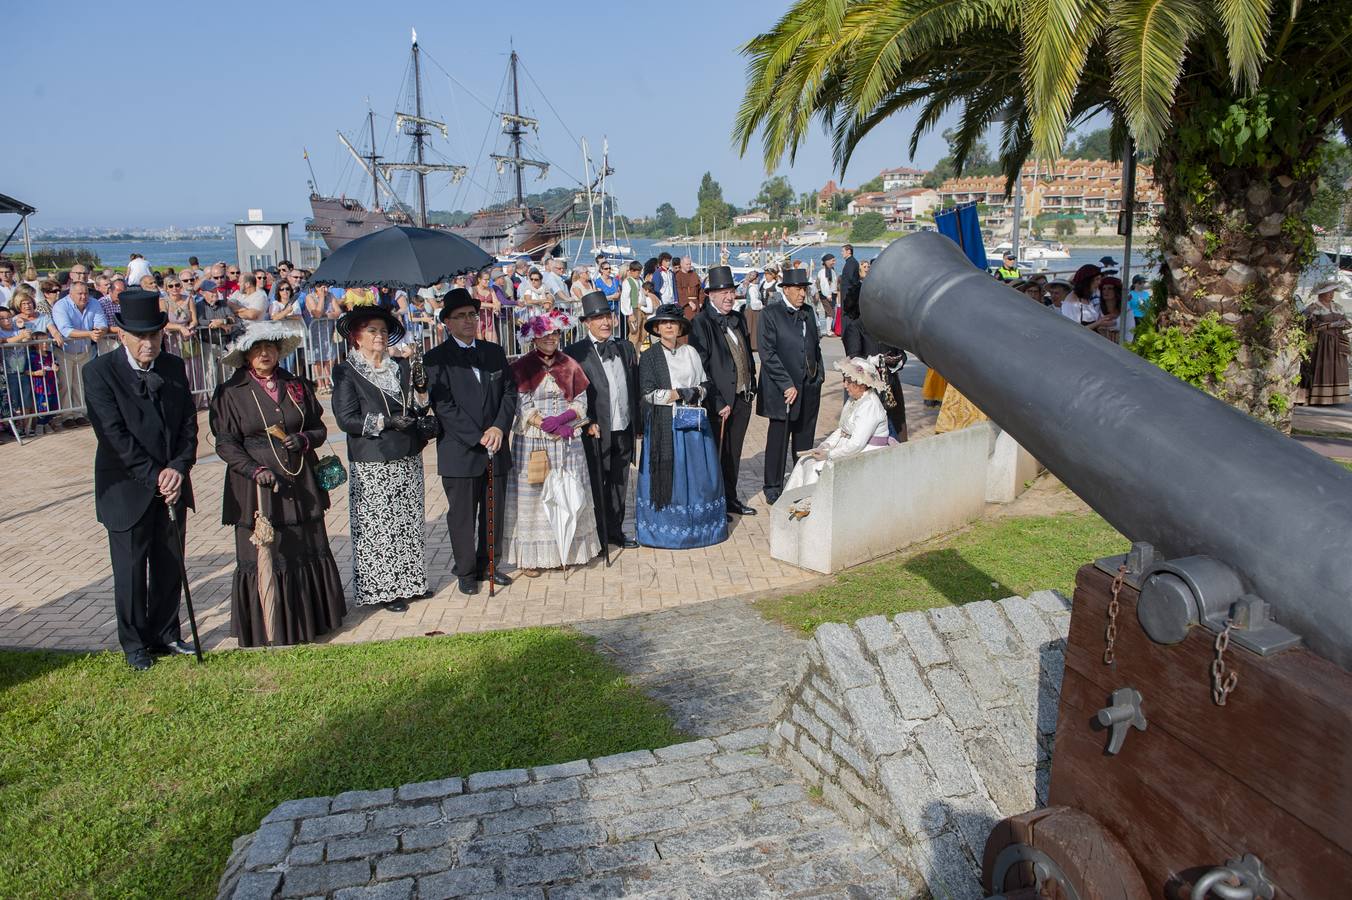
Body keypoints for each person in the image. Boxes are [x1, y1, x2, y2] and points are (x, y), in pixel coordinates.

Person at [82, 290, 198, 670]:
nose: (149, 342)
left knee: (169, 564)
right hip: (127, 489)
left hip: (172, 485)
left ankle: (166, 633)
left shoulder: (173, 366)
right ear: (121, 334)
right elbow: (113, 436)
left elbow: (189, 425)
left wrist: (178, 468)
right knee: (131, 572)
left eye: (155, 334)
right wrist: (155, 476)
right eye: (140, 335)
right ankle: (134, 645)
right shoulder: (99, 372)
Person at [210, 323, 346, 646]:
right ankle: (271, 626)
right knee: (267, 551)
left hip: (300, 482)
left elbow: (319, 428)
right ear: (246, 355)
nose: (264, 353)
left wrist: (304, 439)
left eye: (269, 347)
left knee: (306, 546)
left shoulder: (295, 384)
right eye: (257, 349)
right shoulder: (231, 392)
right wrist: (252, 469)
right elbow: (225, 443)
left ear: (278, 351)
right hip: (256, 487)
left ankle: (314, 620)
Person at [331, 305, 435, 612]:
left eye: (384, 330)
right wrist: (386, 422)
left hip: (407, 454)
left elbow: (417, 407)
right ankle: (384, 589)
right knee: (379, 526)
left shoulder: (400, 366)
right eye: (372, 330)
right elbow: (346, 419)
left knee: (408, 522)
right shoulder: (347, 371)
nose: (379, 335)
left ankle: (411, 582)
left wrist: (421, 389)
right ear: (357, 336)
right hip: (373, 459)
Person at [424, 289, 516, 595]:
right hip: (460, 450)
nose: (468, 321)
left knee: (493, 512)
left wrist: (499, 427)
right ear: (447, 322)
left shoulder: (494, 352)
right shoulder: (435, 359)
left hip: (496, 446)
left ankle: (488, 564)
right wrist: (478, 436)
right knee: (462, 516)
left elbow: (509, 392)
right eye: (461, 316)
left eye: (472, 315)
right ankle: (465, 571)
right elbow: (443, 406)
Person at [503, 308, 601, 574]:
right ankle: (532, 557)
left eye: (555, 333)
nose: (550, 338)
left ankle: (565, 552)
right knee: (536, 496)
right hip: (534, 441)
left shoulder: (569, 364)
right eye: (544, 334)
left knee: (568, 494)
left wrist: (565, 419)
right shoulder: (522, 367)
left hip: (567, 439)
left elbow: (580, 401)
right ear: (533, 337)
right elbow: (521, 404)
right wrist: (543, 423)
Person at [636, 304, 728, 549]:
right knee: (673, 479)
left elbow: (705, 384)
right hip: (665, 428)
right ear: (657, 328)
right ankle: (666, 532)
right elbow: (647, 394)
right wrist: (678, 394)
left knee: (699, 477)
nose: (669, 326)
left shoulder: (691, 352)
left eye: (673, 323)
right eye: (664, 323)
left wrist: (695, 392)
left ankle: (702, 529)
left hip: (693, 426)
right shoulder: (649, 356)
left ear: (680, 328)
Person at [567, 290, 642, 549]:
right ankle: (597, 536)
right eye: (598, 318)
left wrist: (638, 424)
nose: (605, 322)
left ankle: (615, 531)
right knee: (597, 483)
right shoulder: (575, 352)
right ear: (587, 323)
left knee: (620, 482)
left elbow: (634, 386)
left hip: (624, 426)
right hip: (595, 430)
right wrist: (586, 422)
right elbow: (571, 395)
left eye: (608, 316)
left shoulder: (625, 347)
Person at [688, 265, 758, 517]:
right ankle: (715, 505)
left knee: (733, 453)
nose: (729, 297)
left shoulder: (738, 318)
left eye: (731, 292)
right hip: (719, 403)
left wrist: (752, 385)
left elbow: (745, 354)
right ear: (710, 295)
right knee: (716, 454)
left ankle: (731, 499)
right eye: (724, 293)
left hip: (742, 397)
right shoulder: (700, 322)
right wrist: (717, 402)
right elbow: (702, 367)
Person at [758, 267, 823, 506]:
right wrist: (786, 384)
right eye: (797, 289)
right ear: (785, 289)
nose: (802, 294)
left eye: (804, 289)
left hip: (809, 386)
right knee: (778, 440)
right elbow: (767, 353)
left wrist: (818, 376)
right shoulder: (770, 313)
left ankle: (800, 482)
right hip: (781, 390)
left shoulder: (808, 312)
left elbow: (814, 346)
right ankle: (772, 486)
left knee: (805, 438)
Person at [784, 357, 894, 492]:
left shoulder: (870, 405)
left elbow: (857, 444)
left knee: (816, 467)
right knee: (806, 459)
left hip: (867, 452)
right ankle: (796, 499)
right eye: (844, 380)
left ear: (861, 383)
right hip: (850, 447)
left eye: (848, 381)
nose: (844, 385)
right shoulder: (854, 400)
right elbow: (843, 430)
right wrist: (825, 445)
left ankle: (811, 501)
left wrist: (829, 454)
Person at [1299, 278, 1350, 406]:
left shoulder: (1337, 307)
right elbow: (1308, 325)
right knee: (1322, 367)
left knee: (1337, 368)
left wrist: (1344, 324)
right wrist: (1331, 325)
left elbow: (1346, 321)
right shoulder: (1313, 308)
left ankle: (1334, 397)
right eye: (1329, 292)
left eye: (1333, 292)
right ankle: (1319, 397)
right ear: (1321, 293)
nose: (1331, 295)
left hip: (1337, 342)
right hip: (1321, 343)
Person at [619, 260, 647, 349]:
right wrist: (629, 314)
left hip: (642, 309)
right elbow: (625, 299)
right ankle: (632, 353)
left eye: (640, 272)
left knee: (643, 333)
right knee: (634, 333)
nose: (639, 274)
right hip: (634, 310)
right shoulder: (627, 282)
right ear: (631, 271)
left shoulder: (640, 280)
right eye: (638, 272)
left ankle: (638, 352)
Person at [674, 256, 705, 320]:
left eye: (690, 264)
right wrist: (689, 302)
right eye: (687, 264)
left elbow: (700, 290)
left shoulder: (694, 274)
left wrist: (701, 302)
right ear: (681, 264)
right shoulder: (678, 275)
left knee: (697, 323)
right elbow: (679, 291)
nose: (689, 266)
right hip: (686, 305)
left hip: (697, 304)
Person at [838, 243, 861, 322]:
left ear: (849, 251)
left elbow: (851, 278)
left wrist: (853, 289)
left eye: (843, 251)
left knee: (847, 314)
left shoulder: (851, 262)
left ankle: (847, 329)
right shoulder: (851, 262)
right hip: (849, 292)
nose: (841, 253)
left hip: (848, 293)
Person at [815, 253, 838, 323]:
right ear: (827, 261)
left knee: (829, 313)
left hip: (832, 294)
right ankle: (829, 328)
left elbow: (834, 283)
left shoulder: (832, 271)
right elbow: (823, 284)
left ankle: (829, 327)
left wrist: (835, 292)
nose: (834, 262)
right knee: (831, 313)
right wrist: (828, 295)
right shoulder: (822, 272)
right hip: (825, 296)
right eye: (832, 261)